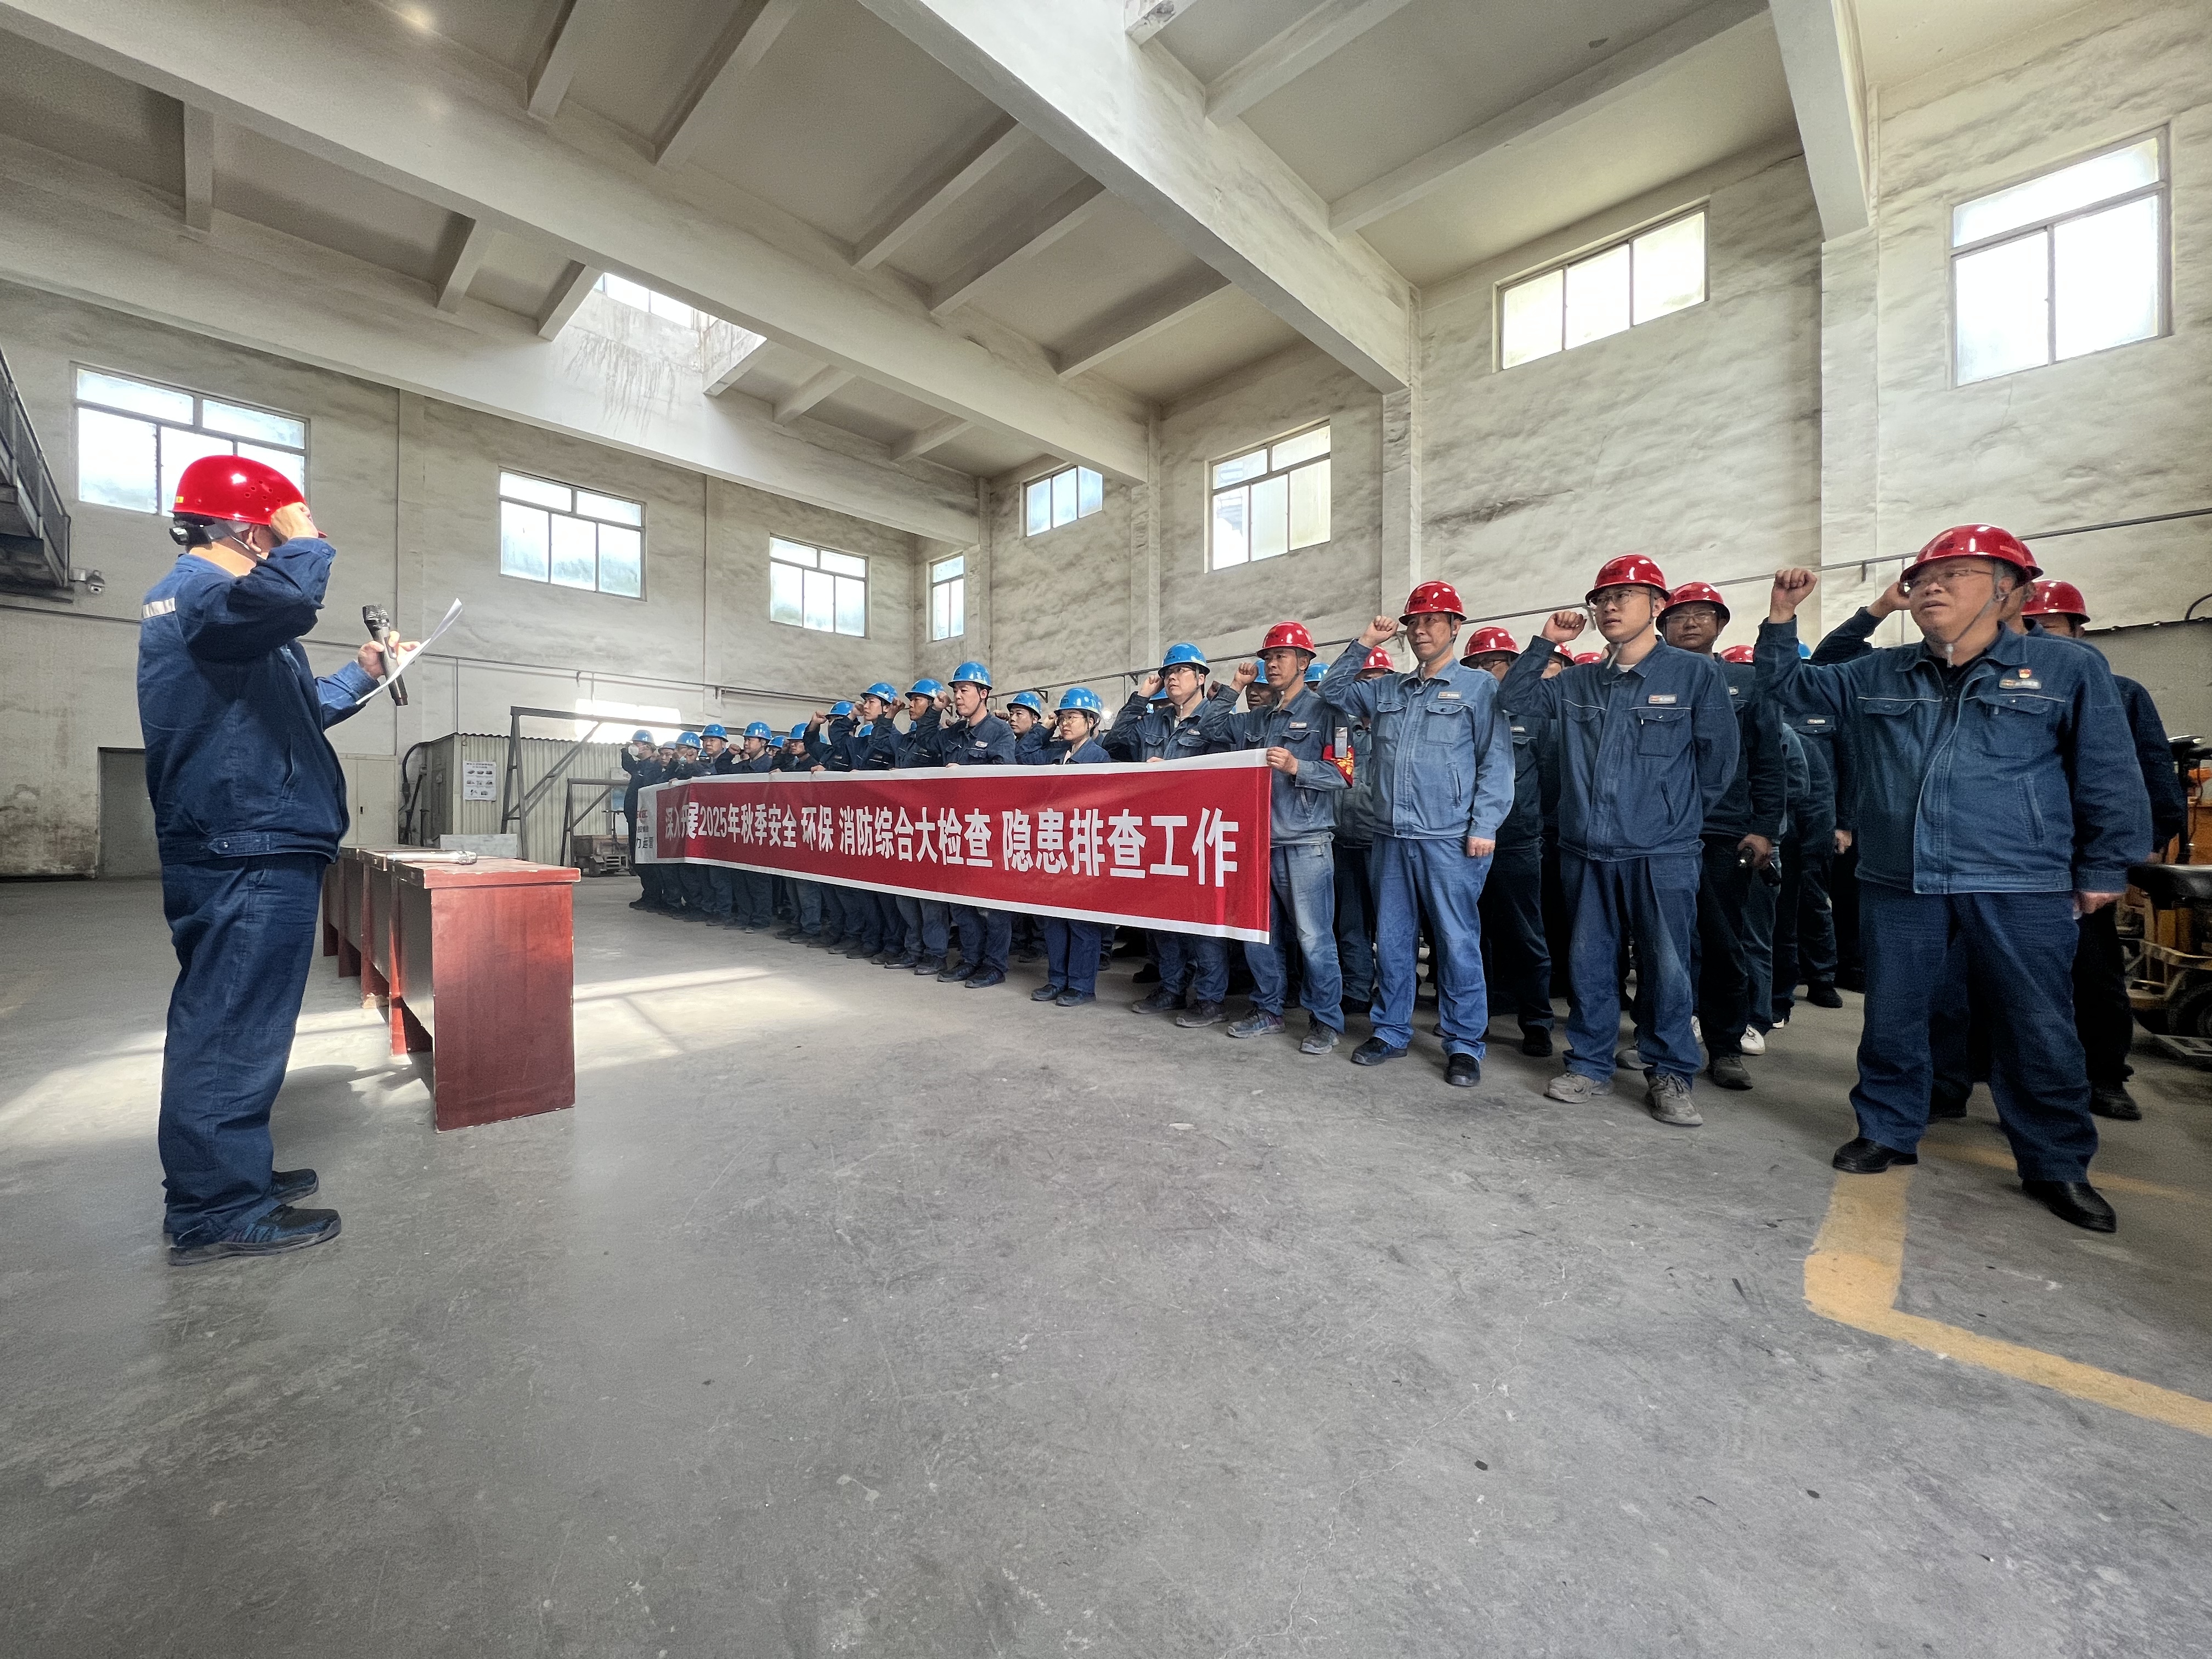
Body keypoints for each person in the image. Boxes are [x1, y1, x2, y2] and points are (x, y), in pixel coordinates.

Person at [1757, 527, 2149, 1232]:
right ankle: (1887, 1129)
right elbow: (1789, 687)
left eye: (1958, 573)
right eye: (1922, 577)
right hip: (1900, 874)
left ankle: (2056, 1160)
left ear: (2010, 591)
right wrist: (1783, 618)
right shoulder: (1882, 671)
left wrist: (2104, 864)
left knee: (2036, 1021)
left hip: (2018, 875)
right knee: (1895, 1013)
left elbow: (2108, 772)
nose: (1932, 586)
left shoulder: (2065, 668)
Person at [139, 454, 412, 1262]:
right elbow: (288, 598)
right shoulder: (205, 592)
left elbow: (295, 710)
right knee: (232, 1023)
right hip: (247, 839)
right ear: (250, 532)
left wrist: (362, 674)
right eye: (276, 533)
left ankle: (230, 1174)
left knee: (239, 1016)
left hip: (250, 834)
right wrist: (309, 543)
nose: (284, 545)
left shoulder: (222, 612)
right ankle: (217, 1209)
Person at [1500, 556, 1737, 1126]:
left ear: (1657, 606)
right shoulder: (1578, 681)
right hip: (1587, 849)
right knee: (1590, 962)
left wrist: (1672, 818)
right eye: (1601, 599)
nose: (1609, 607)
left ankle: (1671, 1071)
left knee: (1668, 968)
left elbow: (1718, 762)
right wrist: (1545, 643)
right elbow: (1513, 701)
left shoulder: (1693, 675)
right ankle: (1589, 1063)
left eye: (1623, 596)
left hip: (1662, 851)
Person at [1319, 582, 1514, 1088]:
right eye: (1414, 623)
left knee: (1457, 941)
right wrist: (1364, 643)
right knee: (1394, 939)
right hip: (1390, 836)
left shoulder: (1478, 688)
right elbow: (1331, 692)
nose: (1421, 630)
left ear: (1455, 627)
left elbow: (1495, 761)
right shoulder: (1387, 690)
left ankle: (1464, 1043)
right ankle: (1390, 1030)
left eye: (1433, 620)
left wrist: (1485, 826)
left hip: (1449, 838)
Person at [1652, 583, 1784, 1090]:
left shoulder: (1746, 683)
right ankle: (1659, 1035)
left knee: (1723, 942)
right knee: (1663, 943)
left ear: (1721, 624)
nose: (1690, 623)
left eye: (1702, 615)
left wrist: (1764, 828)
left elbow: (1768, 761)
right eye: (1679, 615)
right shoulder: (1645, 680)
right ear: (1662, 624)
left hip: (1722, 831)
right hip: (1658, 830)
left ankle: (1725, 1046)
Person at [1226, 623, 1348, 1053]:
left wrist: (1299, 767)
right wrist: (1234, 688)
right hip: (1259, 843)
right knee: (1260, 934)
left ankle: (1326, 1020)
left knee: (1314, 939)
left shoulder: (1329, 713)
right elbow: (1209, 727)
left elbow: (1344, 774)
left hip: (1305, 843)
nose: (1272, 664)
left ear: (1305, 661)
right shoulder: (1259, 718)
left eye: (1281, 656)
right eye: (1268, 657)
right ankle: (1268, 1009)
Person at [1107, 644, 1237, 1026]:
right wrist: (1140, 697)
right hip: (1157, 833)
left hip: (1198, 834)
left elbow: (1225, 774)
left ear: (1201, 677)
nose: (1173, 678)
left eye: (1181, 671)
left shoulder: (1216, 719)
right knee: (1163, 917)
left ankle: (1211, 999)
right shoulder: (1154, 721)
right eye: (1168, 673)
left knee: (1202, 920)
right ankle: (1171, 988)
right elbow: (1114, 742)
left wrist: (1173, 772)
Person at [1459, 627, 1555, 1057]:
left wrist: (1529, 821)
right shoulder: (1462, 713)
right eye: (1476, 664)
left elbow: (1552, 778)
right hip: (1464, 842)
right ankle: (1474, 1018)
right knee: (1470, 934)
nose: (1484, 671)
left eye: (1493, 663)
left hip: (1516, 842)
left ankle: (1536, 1022)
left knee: (1525, 934)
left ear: (1513, 667)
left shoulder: (1535, 716)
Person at [1031, 688, 1113, 1008]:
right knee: (1054, 917)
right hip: (1054, 845)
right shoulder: (1055, 754)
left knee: (1081, 920)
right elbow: (1023, 753)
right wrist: (1046, 725)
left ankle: (1081, 985)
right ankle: (1057, 979)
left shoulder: (1099, 758)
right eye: (1062, 717)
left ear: (1091, 722)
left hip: (1083, 846)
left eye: (1072, 717)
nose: (1065, 723)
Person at [938, 661, 1014, 989]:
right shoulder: (955, 733)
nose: (958, 696)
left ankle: (994, 965)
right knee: (961, 899)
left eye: (964, 690)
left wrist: (966, 773)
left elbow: (1004, 776)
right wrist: (934, 711)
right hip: (958, 828)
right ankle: (970, 959)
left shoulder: (1000, 731)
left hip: (988, 829)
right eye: (955, 691)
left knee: (993, 904)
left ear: (983, 694)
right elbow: (926, 745)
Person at [1328, 646, 1393, 1017]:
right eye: (1363, 681)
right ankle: (1356, 988)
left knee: (1391, 925)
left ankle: (1394, 990)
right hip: (1344, 839)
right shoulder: (1343, 731)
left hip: (1382, 841)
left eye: (1376, 681)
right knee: (1351, 923)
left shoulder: (1396, 727)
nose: (1369, 688)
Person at [889, 678, 952, 974]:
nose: (911, 705)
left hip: (931, 827)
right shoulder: (907, 740)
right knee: (905, 894)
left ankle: (936, 954)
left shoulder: (941, 738)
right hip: (905, 826)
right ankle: (913, 949)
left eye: (917, 700)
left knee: (930, 898)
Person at [729, 722, 780, 930]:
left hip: (760, 826)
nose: (746, 743)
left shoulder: (771, 767)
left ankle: (761, 918)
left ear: (763, 742)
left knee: (758, 876)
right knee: (740, 875)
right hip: (741, 825)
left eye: (750, 739)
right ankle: (745, 915)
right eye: (745, 739)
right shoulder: (741, 766)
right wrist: (728, 755)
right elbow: (722, 772)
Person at [620, 729, 662, 912]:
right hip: (635, 820)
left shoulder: (654, 765)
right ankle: (649, 894)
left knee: (647, 860)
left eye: (636, 744)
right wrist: (624, 751)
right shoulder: (639, 766)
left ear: (646, 746)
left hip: (646, 821)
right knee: (638, 860)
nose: (633, 747)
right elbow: (628, 764)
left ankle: (655, 896)